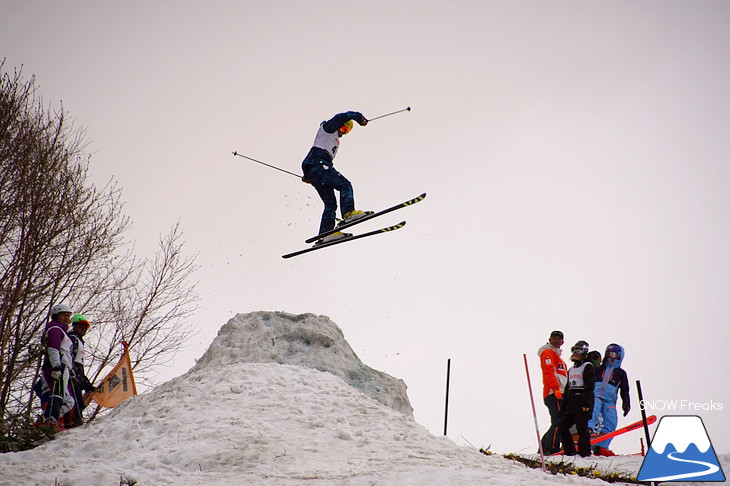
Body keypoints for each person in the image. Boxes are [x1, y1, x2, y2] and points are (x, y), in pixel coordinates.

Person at [301, 111, 370, 243]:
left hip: (315, 168)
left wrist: (310, 174)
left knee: (330, 203)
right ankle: (349, 214)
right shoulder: (329, 128)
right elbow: (341, 117)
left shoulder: (334, 138)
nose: (344, 132)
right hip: (319, 164)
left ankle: (326, 233)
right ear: (339, 125)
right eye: (344, 128)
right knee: (345, 185)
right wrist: (358, 117)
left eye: (347, 131)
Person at [588, 343, 630, 456]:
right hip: (596, 395)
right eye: (608, 354)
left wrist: (626, 403)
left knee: (611, 421)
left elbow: (625, 390)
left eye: (613, 354)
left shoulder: (621, 373)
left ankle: (602, 446)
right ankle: (588, 430)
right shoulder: (599, 368)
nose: (610, 357)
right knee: (592, 412)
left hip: (610, 400)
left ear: (619, 356)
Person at [39, 303, 76, 429]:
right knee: (57, 394)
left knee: (68, 401)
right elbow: (53, 348)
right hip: (57, 366)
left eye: (68, 316)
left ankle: (47, 419)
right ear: (56, 316)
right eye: (63, 315)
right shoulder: (55, 329)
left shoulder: (60, 330)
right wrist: (56, 366)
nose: (66, 318)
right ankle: (50, 421)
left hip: (63, 366)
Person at [558, 340, 596, 457]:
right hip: (571, 401)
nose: (575, 353)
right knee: (562, 426)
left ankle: (584, 453)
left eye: (578, 351)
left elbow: (589, 387)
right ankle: (570, 452)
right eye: (574, 350)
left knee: (581, 427)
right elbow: (568, 389)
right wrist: (563, 408)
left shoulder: (587, 366)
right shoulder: (571, 369)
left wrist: (586, 404)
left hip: (582, 399)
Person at [538, 330, 567, 455]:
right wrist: (555, 388)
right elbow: (548, 372)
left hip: (558, 391)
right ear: (549, 340)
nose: (556, 340)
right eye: (554, 338)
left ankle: (544, 447)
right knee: (558, 420)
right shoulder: (548, 353)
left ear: (562, 342)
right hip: (553, 392)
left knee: (557, 420)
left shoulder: (558, 357)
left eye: (558, 338)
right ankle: (551, 448)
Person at [65, 313, 97, 428]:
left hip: (76, 376)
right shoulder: (72, 339)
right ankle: (71, 425)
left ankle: (73, 424)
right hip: (70, 377)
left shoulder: (78, 340)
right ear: (75, 326)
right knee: (76, 404)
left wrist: (84, 381)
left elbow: (79, 364)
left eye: (86, 327)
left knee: (79, 403)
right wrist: (73, 376)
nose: (84, 329)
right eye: (81, 326)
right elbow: (70, 359)